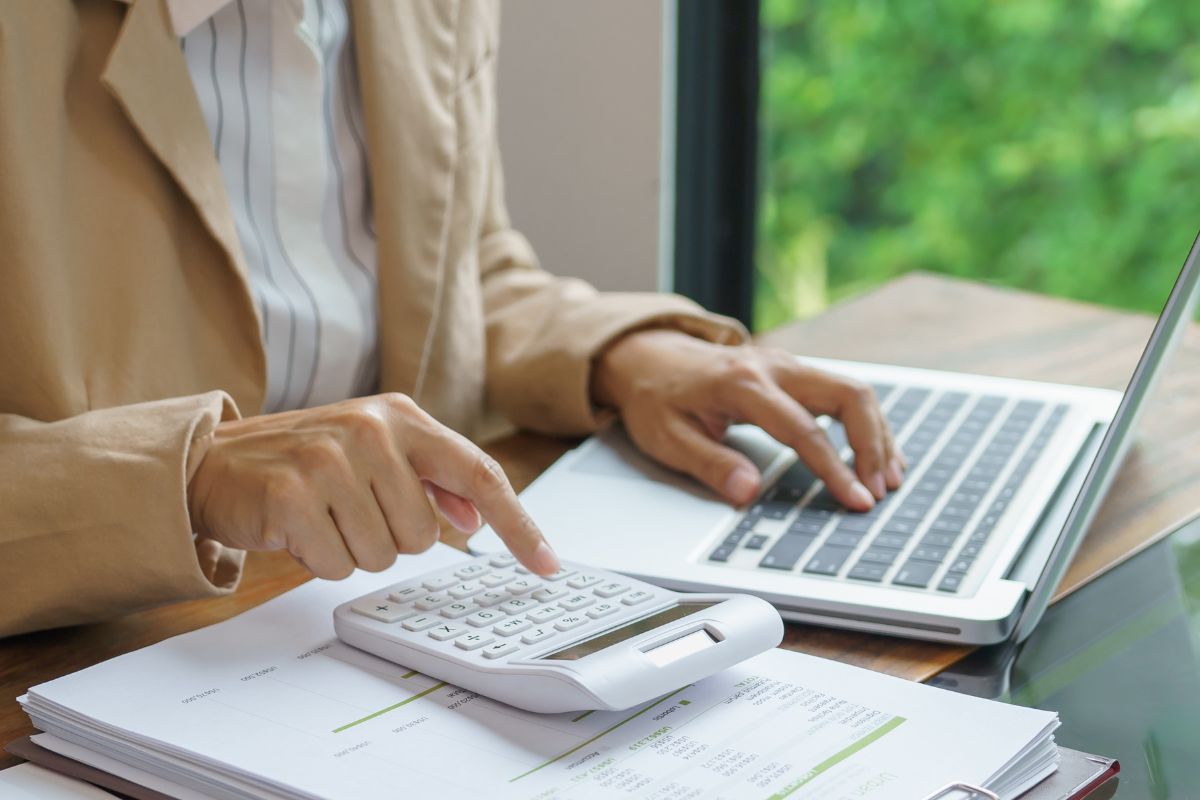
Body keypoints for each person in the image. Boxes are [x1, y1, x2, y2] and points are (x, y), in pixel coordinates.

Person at [0, 0, 903, 639]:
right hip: (107, 657)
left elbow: (462, 266)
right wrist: (188, 475)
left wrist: (622, 354)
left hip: (389, 619)